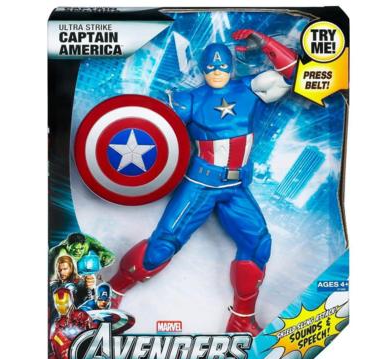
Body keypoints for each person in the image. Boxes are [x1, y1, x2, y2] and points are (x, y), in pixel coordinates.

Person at [109, 30, 297, 335]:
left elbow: (292, 73)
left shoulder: (250, 88)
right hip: (200, 186)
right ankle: (109, 294)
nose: (217, 71)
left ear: (231, 66)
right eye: (211, 67)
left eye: (222, 66)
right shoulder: (189, 100)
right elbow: (152, 129)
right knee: (161, 248)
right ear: (202, 67)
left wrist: (265, 43)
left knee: (258, 244)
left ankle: (241, 319)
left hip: (236, 188)